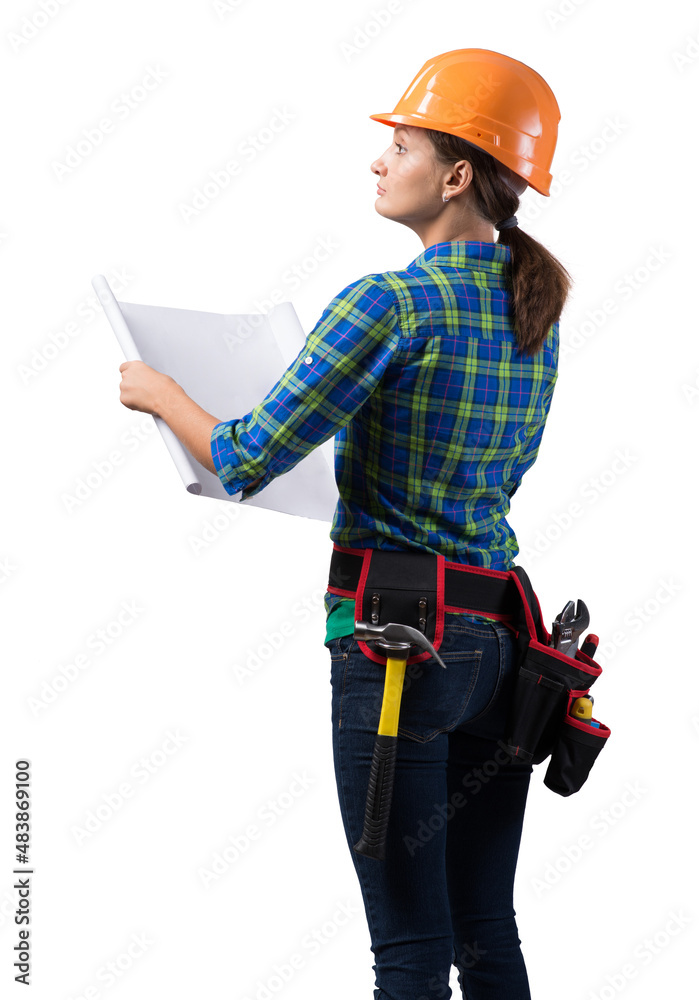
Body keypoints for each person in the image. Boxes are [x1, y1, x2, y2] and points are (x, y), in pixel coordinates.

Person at [118, 47, 571, 1000]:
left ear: (455, 174)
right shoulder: (533, 307)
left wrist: (163, 393)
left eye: (399, 145)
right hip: (501, 649)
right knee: (484, 931)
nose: (378, 161)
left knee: (408, 946)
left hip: (404, 649)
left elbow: (242, 458)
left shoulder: (388, 302)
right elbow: (484, 471)